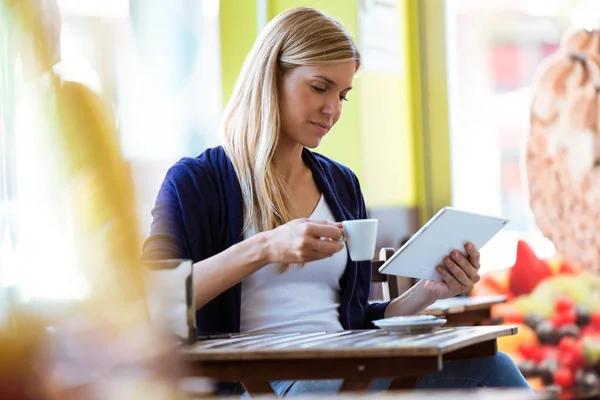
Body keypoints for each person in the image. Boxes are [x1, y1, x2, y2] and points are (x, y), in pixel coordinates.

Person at [142, 7, 530, 396]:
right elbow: (155, 299)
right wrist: (264, 247)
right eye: (320, 87)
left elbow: (355, 322)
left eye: (343, 94)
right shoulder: (195, 181)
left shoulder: (341, 185)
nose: (334, 110)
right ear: (270, 78)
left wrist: (427, 292)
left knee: (494, 367)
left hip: (347, 367)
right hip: (261, 383)